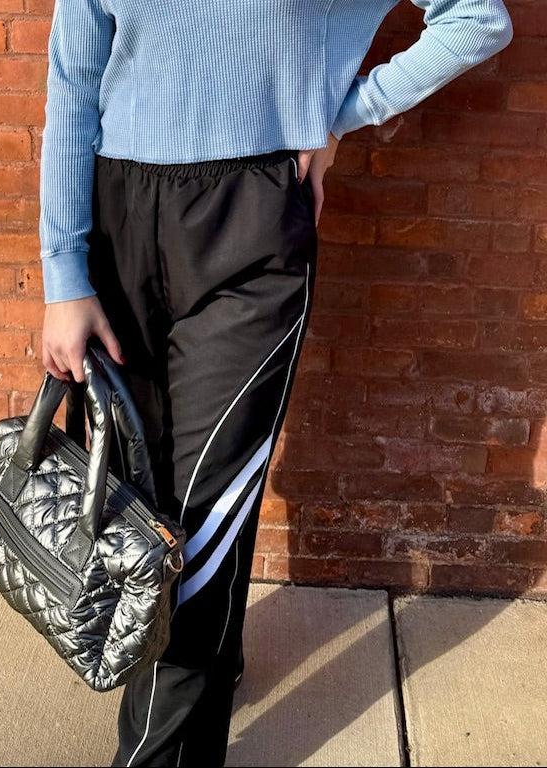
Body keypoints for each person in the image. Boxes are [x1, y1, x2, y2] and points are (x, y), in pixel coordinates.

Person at [37, 1, 513, 765]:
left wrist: (337, 116)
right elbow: (74, 76)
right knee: (138, 492)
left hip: (252, 221)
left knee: (204, 510)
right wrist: (64, 274)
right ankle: (210, 663)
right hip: (116, 216)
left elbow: (475, 19)